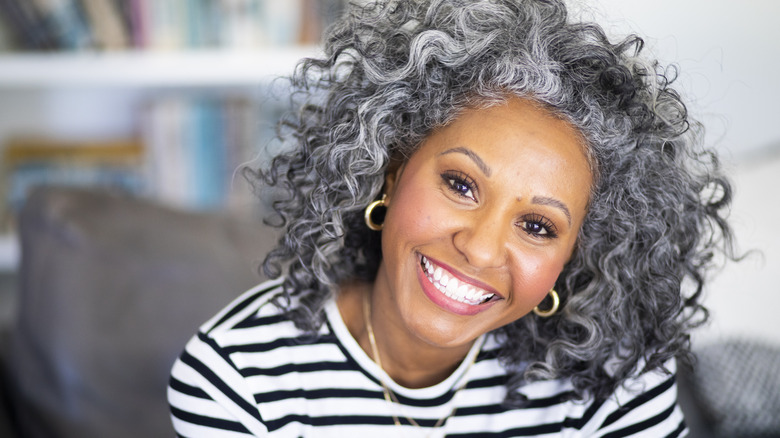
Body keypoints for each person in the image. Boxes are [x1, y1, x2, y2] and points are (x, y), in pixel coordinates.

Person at [168, 0, 734, 436]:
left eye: (538, 226)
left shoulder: (616, 382)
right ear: (390, 169)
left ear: (576, 256)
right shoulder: (237, 379)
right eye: (461, 185)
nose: (482, 249)